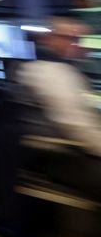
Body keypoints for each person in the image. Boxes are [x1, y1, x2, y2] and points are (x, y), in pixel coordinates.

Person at [15, 17, 101, 195]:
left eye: (79, 39)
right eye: (71, 38)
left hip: (69, 154)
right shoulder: (52, 72)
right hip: (64, 159)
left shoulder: (57, 69)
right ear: (50, 39)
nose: (78, 45)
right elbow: (77, 127)